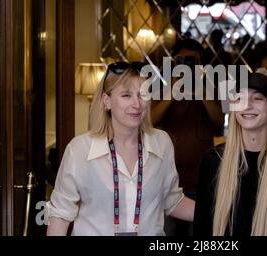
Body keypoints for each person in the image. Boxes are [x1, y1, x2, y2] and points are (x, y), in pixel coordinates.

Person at [47, 61, 194, 236]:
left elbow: (172, 200)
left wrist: (223, 213)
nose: (137, 104)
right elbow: (60, 216)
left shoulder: (162, 143)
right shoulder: (79, 150)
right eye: (126, 95)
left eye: (142, 94)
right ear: (106, 101)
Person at [193, 68, 267, 236]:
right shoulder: (214, 161)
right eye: (239, 98)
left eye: (257, 98)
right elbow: (202, 229)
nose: (247, 105)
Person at [152, 38, 224, 236]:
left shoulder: (210, 91)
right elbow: (149, 120)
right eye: (183, 61)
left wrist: (199, 89)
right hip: (166, 183)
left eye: (193, 62)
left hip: (201, 184)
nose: (188, 67)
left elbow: (219, 121)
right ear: (174, 63)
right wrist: (173, 90)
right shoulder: (162, 91)